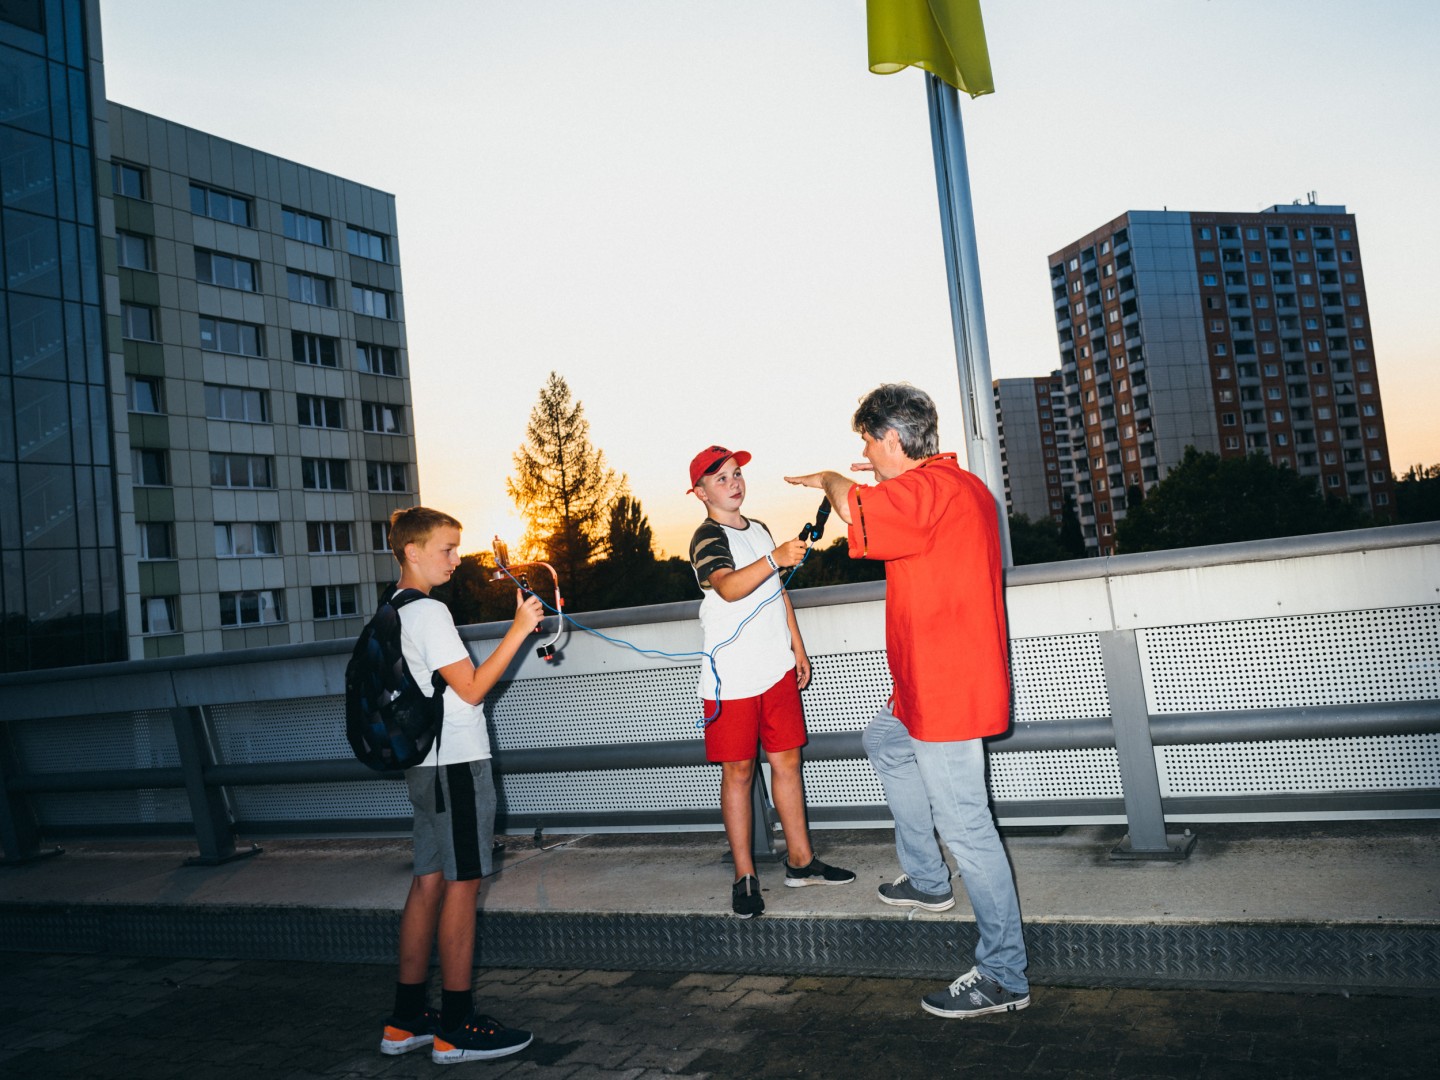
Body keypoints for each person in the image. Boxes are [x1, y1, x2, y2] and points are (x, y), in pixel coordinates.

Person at [785, 385, 1030, 1018]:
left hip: (946, 689)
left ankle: (1004, 974)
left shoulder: (927, 490)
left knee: (968, 827)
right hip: (928, 683)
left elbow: (855, 507)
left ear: (891, 438)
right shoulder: (957, 486)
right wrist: (875, 480)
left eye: (869, 442)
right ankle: (926, 879)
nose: (865, 454)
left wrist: (833, 479)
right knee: (885, 741)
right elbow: (890, 514)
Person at [378, 506, 544, 1063]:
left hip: (424, 766)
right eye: (446, 549)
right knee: (462, 885)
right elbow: (471, 689)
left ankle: (405, 1020)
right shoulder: (429, 612)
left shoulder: (392, 608)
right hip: (457, 765)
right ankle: (456, 1026)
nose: (455, 559)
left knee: (428, 881)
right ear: (412, 552)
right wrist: (519, 630)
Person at [687, 445, 855, 917]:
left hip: (775, 667)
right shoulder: (706, 536)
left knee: (787, 763)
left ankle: (801, 861)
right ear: (701, 493)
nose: (733, 483)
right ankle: (745, 876)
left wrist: (797, 647)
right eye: (721, 478)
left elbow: (777, 591)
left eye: (736, 474)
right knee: (739, 773)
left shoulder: (758, 528)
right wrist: (775, 557)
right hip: (731, 677)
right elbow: (728, 585)